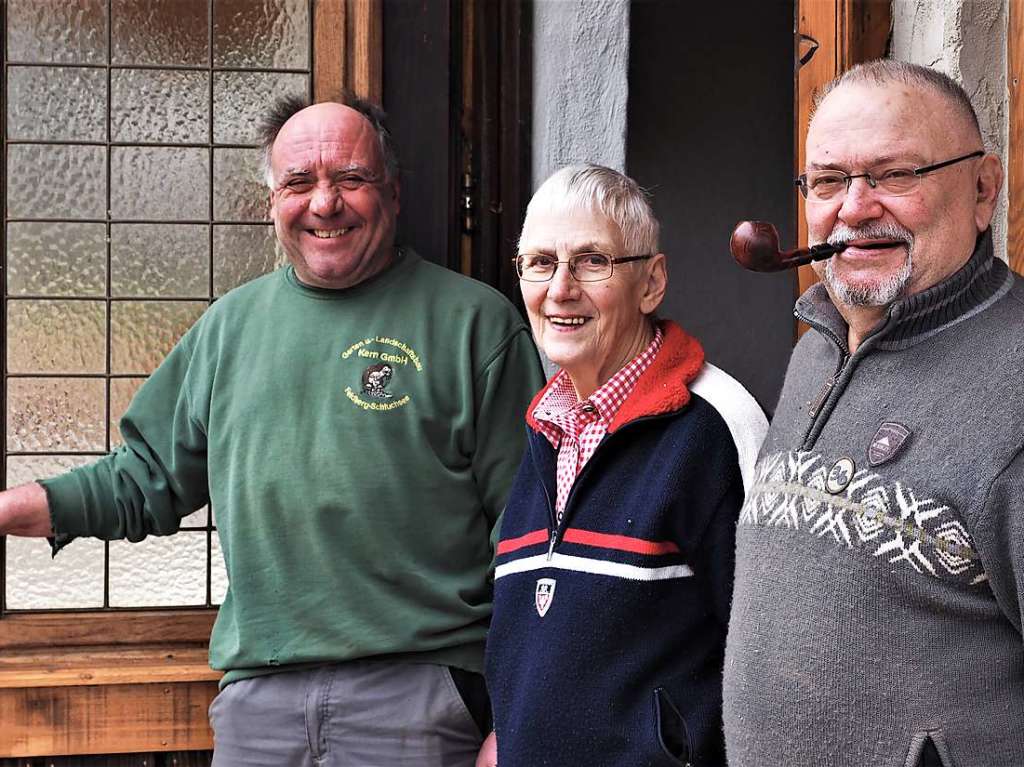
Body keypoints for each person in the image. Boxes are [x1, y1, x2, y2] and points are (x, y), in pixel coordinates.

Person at [0, 95, 544, 767]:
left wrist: (518, 716)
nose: (324, 203)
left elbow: (531, 541)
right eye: (298, 183)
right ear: (271, 204)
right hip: (259, 702)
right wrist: (12, 510)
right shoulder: (228, 331)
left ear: (393, 193)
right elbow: (143, 479)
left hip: (420, 697)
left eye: (350, 178)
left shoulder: (476, 327)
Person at [722, 60, 1017, 767]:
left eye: (894, 175)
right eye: (828, 181)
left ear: (983, 190)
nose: (854, 208)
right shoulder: (812, 354)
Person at [478, 165, 767, 766]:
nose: (560, 289)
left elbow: (771, 658)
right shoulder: (546, 425)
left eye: (592, 261)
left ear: (651, 281)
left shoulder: (714, 425)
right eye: (540, 262)